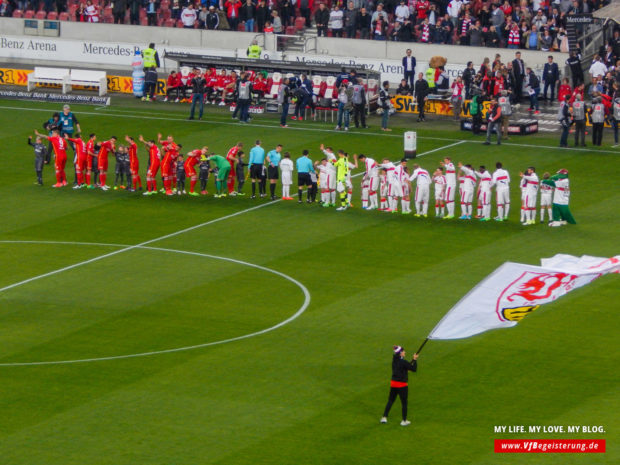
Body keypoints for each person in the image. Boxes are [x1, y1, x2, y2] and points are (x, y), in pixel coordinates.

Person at [380, 345, 418, 426]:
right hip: (402, 385)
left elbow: (406, 367)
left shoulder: (394, 360)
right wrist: (414, 359)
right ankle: (404, 421)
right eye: (403, 351)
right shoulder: (403, 362)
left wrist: (410, 364)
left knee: (390, 400)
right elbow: (413, 369)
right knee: (404, 403)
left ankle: (384, 417)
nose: (405, 352)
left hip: (393, 384)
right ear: (400, 353)